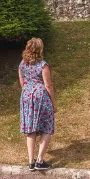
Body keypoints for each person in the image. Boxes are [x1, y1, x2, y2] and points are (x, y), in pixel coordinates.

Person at [19, 38, 56, 171]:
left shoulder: (22, 64)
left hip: (27, 97)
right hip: (40, 96)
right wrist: (53, 103)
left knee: (31, 129)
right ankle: (40, 160)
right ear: (40, 49)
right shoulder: (43, 65)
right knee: (47, 126)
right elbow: (48, 85)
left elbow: (22, 83)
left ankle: (30, 162)